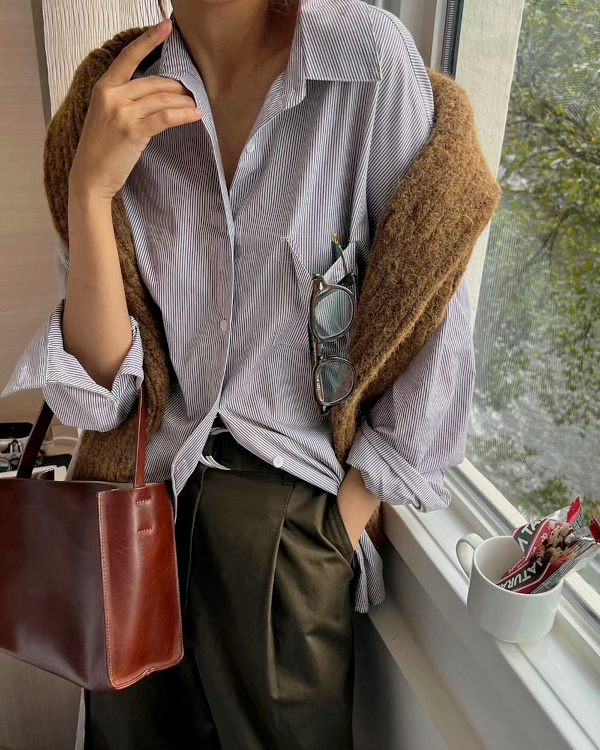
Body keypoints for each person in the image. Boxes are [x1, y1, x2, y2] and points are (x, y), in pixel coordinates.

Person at [1, 0, 476, 746]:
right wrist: (89, 190)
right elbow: (102, 397)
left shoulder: (366, 60)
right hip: (137, 520)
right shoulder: (110, 93)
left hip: (290, 524)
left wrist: (336, 525)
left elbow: (432, 308)